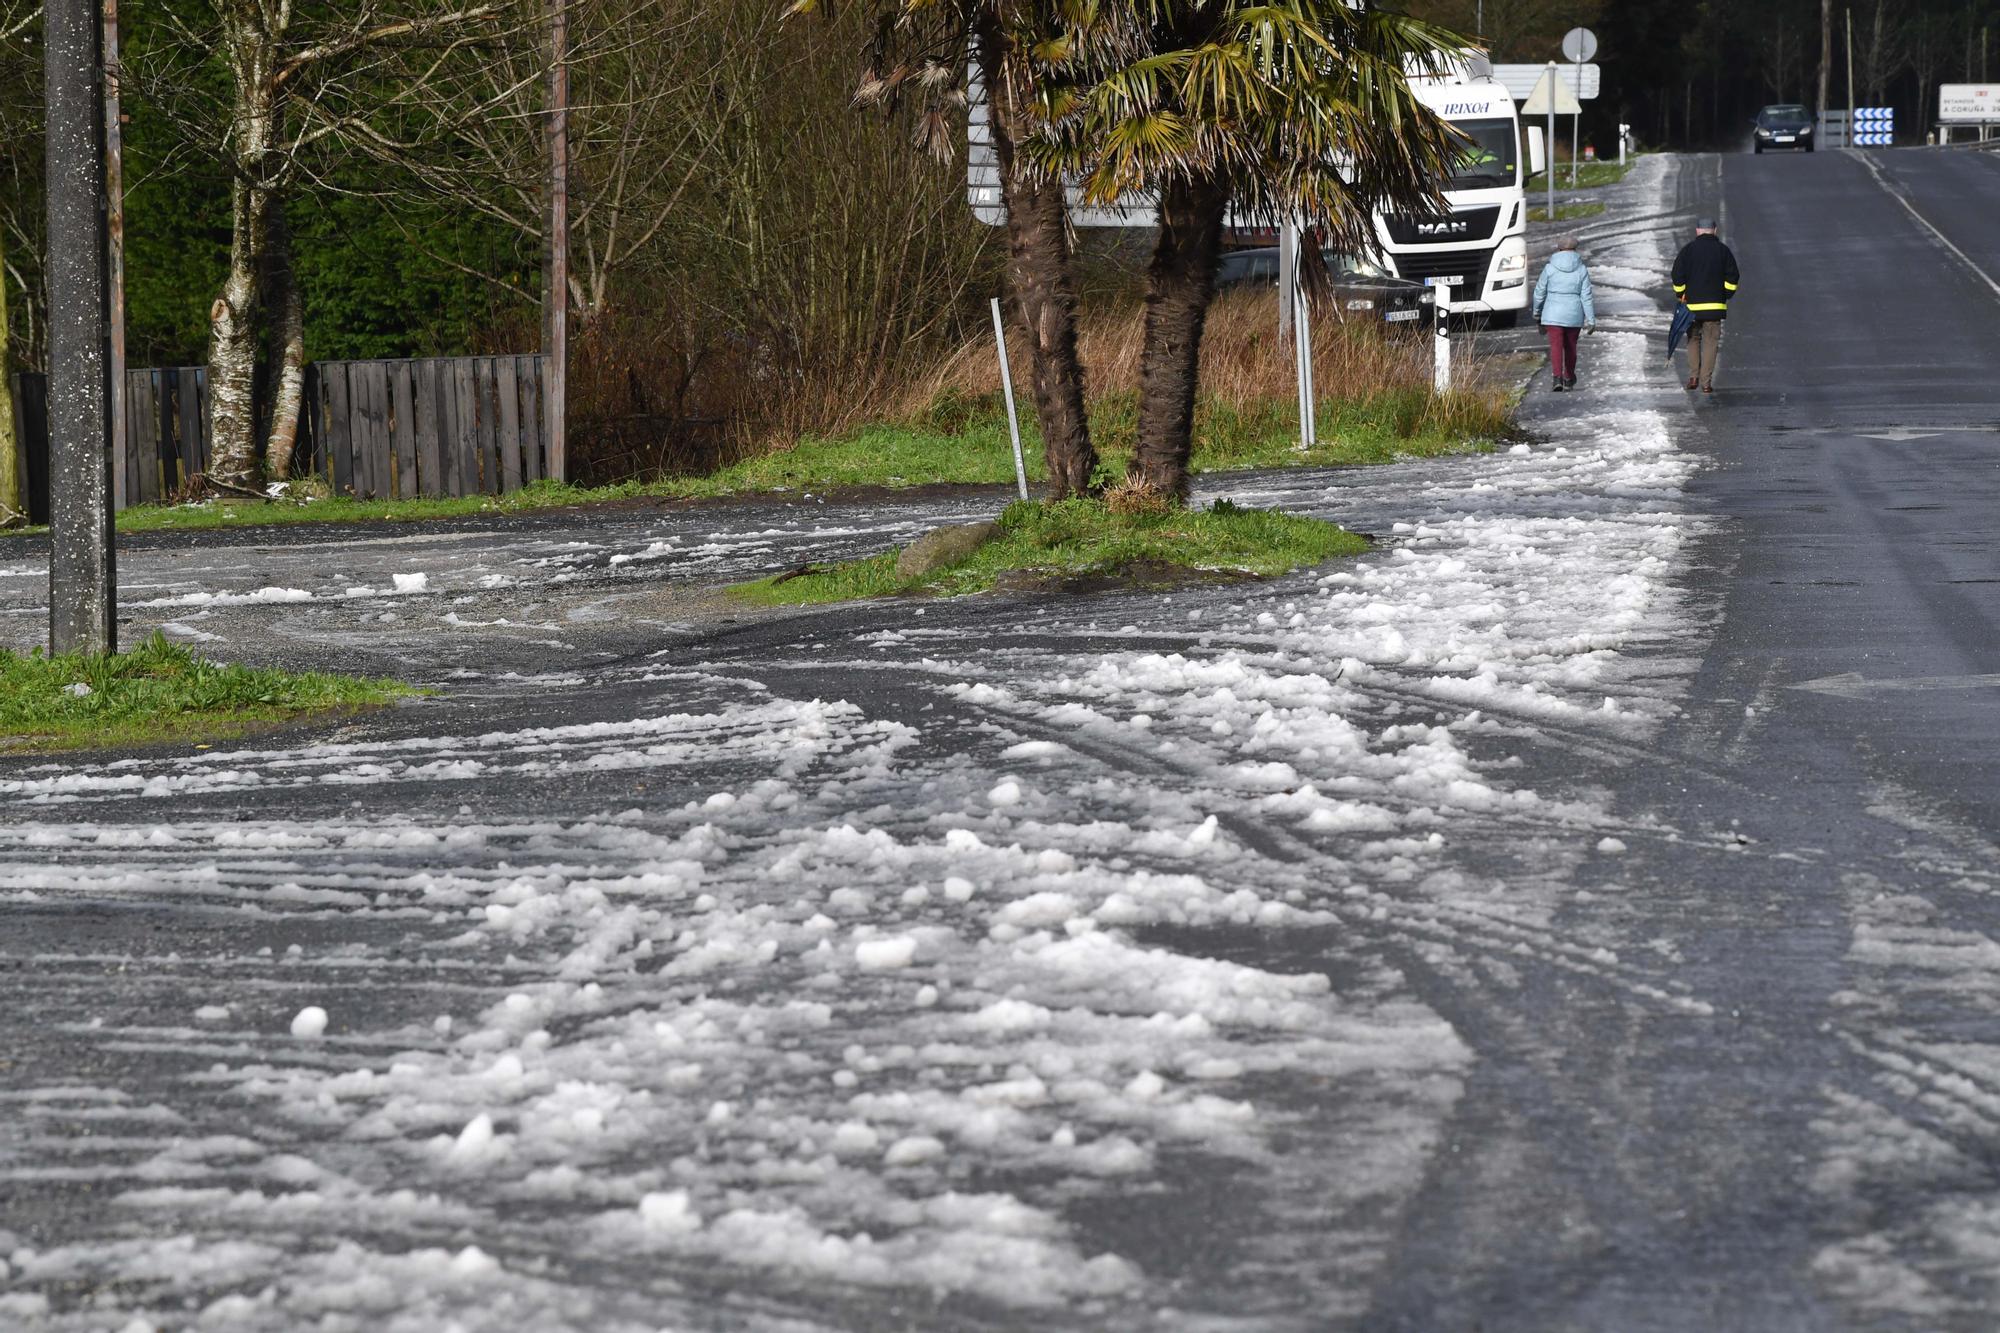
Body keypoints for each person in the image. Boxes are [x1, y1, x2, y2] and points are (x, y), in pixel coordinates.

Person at [1671, 217, 1741, 394]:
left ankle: (1693, 376)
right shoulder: (1723, 251)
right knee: (1711, 343)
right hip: (1714, 307)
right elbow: (1733, 277)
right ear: (1715, 230)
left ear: (1697, 231)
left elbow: (1677, 275)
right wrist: (1725, 294)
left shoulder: (1688, 251)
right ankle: (1706, 383)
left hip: (1692, 307)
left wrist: (1681, 294)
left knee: (1693, 339)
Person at [1532, 235, 1596, 392]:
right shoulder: (1581, 269)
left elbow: (1539, 292)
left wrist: (1537, 312)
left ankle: (1556, 378)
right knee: (1570, 347)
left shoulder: (1549, 268)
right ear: (1575, 250)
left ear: (1559, 249)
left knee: (1555, 346)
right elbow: (1586, 296)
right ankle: (1568, 377)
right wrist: (1591, 319)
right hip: (1573, 314)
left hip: (1552, 314)